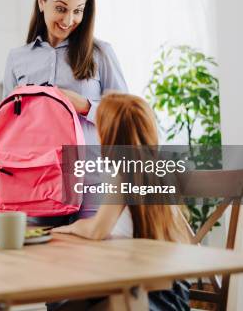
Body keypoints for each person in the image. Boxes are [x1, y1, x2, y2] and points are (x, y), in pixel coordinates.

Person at [3, 0, 127, 224]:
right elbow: (8, 128)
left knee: (91, 261)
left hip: (92, 183)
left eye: (78, 11)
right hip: (38, 182)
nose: (69, 20)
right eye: (61, 8)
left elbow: (124, 116)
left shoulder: (100, 53)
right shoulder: (17, 58)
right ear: (41, 2)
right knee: (41, 261)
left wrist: (82, 104)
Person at [52, 93, 191, 310]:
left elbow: (97, 230)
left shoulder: (121, 172)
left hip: (145, 296)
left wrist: (68, 228)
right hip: (172, 292)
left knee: (66, 304)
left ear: (109, 133)